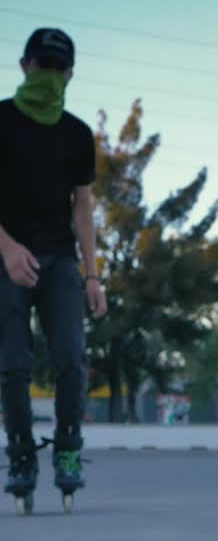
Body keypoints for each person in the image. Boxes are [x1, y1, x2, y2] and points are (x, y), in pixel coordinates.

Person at [0, 27, 107, 506]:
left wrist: (92, 274)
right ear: (24, 66)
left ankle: (67, 448)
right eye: (42, 66)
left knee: (71, 359)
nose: (49, 75)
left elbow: (83, 208)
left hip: (61, 257)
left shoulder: (77, 135)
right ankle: (21, 454)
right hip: (6, 257)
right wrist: (6, 247)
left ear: (70, 75)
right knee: (13, 365)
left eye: (58, 69)